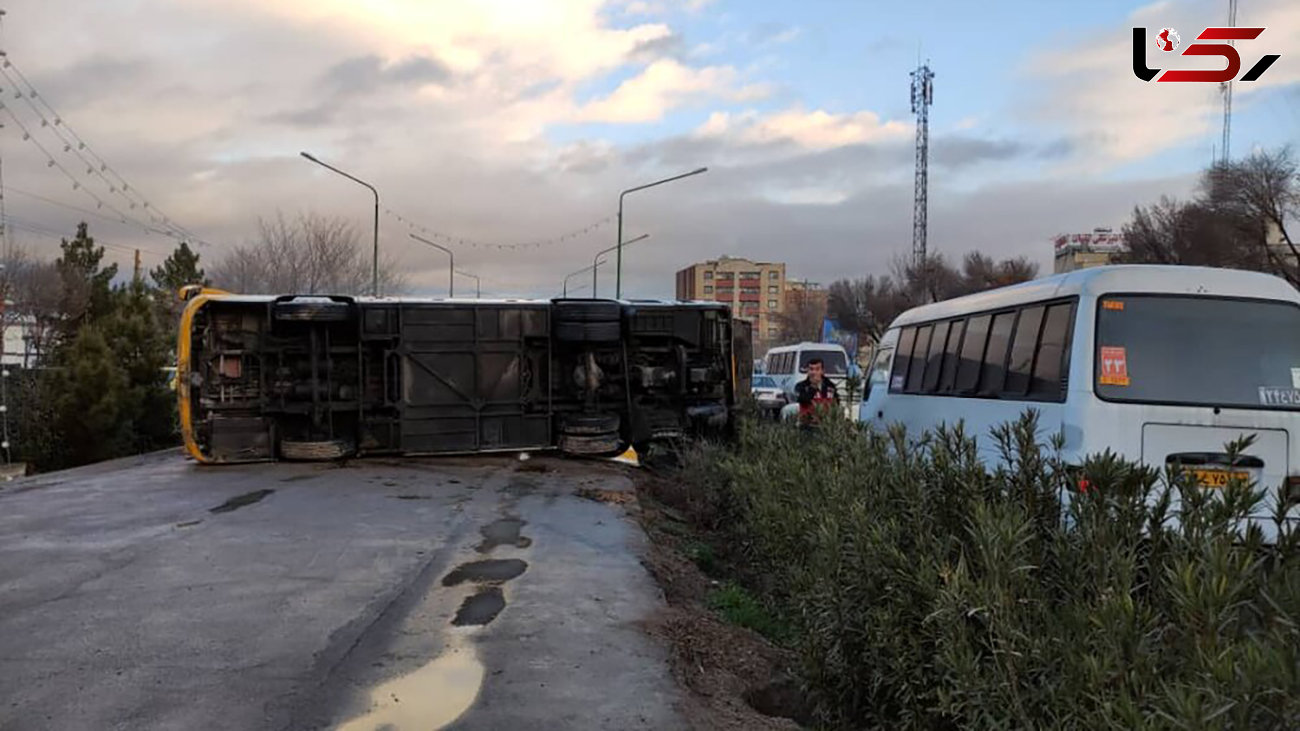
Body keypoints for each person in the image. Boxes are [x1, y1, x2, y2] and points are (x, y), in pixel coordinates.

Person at [793, 357, 838, 426]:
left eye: (817, 369)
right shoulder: (801, 386)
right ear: (807, 371)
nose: (814, 372)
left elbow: (836, 403)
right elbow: (803, 400)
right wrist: (813, 386)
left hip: (825, 425)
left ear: (822, 371)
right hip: (807, 425)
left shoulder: (830, 386)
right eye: (811, 369)